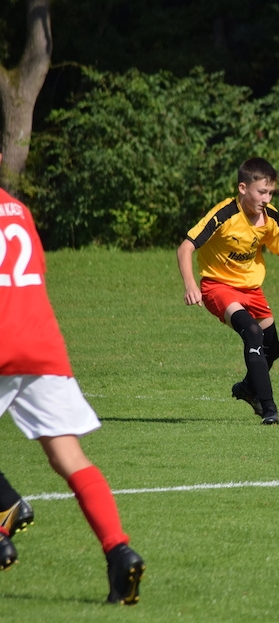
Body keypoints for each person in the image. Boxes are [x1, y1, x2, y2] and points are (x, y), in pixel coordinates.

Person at [0, 167, 145, 604]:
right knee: (69, 455)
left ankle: (4, 515)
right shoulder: (18, 210)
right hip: (40, 342)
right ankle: (119, 551)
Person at [177, 157, 279, 425]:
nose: (266, 199)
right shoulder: (224, 215)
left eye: (271, 193)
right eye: (262, 192)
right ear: (243, 188)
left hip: (251, 289)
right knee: (252, 332)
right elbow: (186, 247)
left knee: (273, 348)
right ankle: (269, 409)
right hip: (218, 286)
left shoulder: (269, 217)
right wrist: (190, 284)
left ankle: (247, 388)